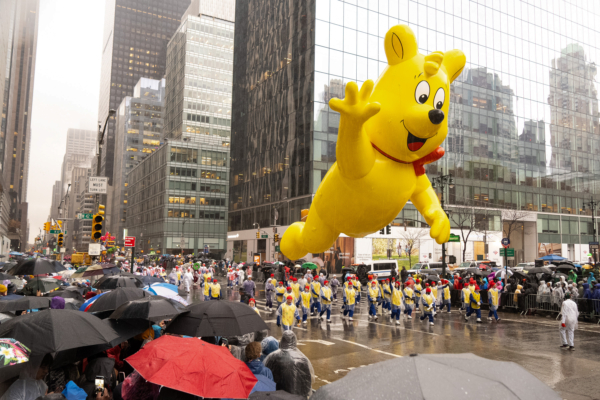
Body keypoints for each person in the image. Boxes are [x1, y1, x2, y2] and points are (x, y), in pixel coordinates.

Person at [263, 331, 314, 398]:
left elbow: (266, 378)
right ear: (294, 341)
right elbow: (308, 383)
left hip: (277, 396)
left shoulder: (272, 357)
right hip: (297, 397)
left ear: (282, 341)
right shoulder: (303, 358)